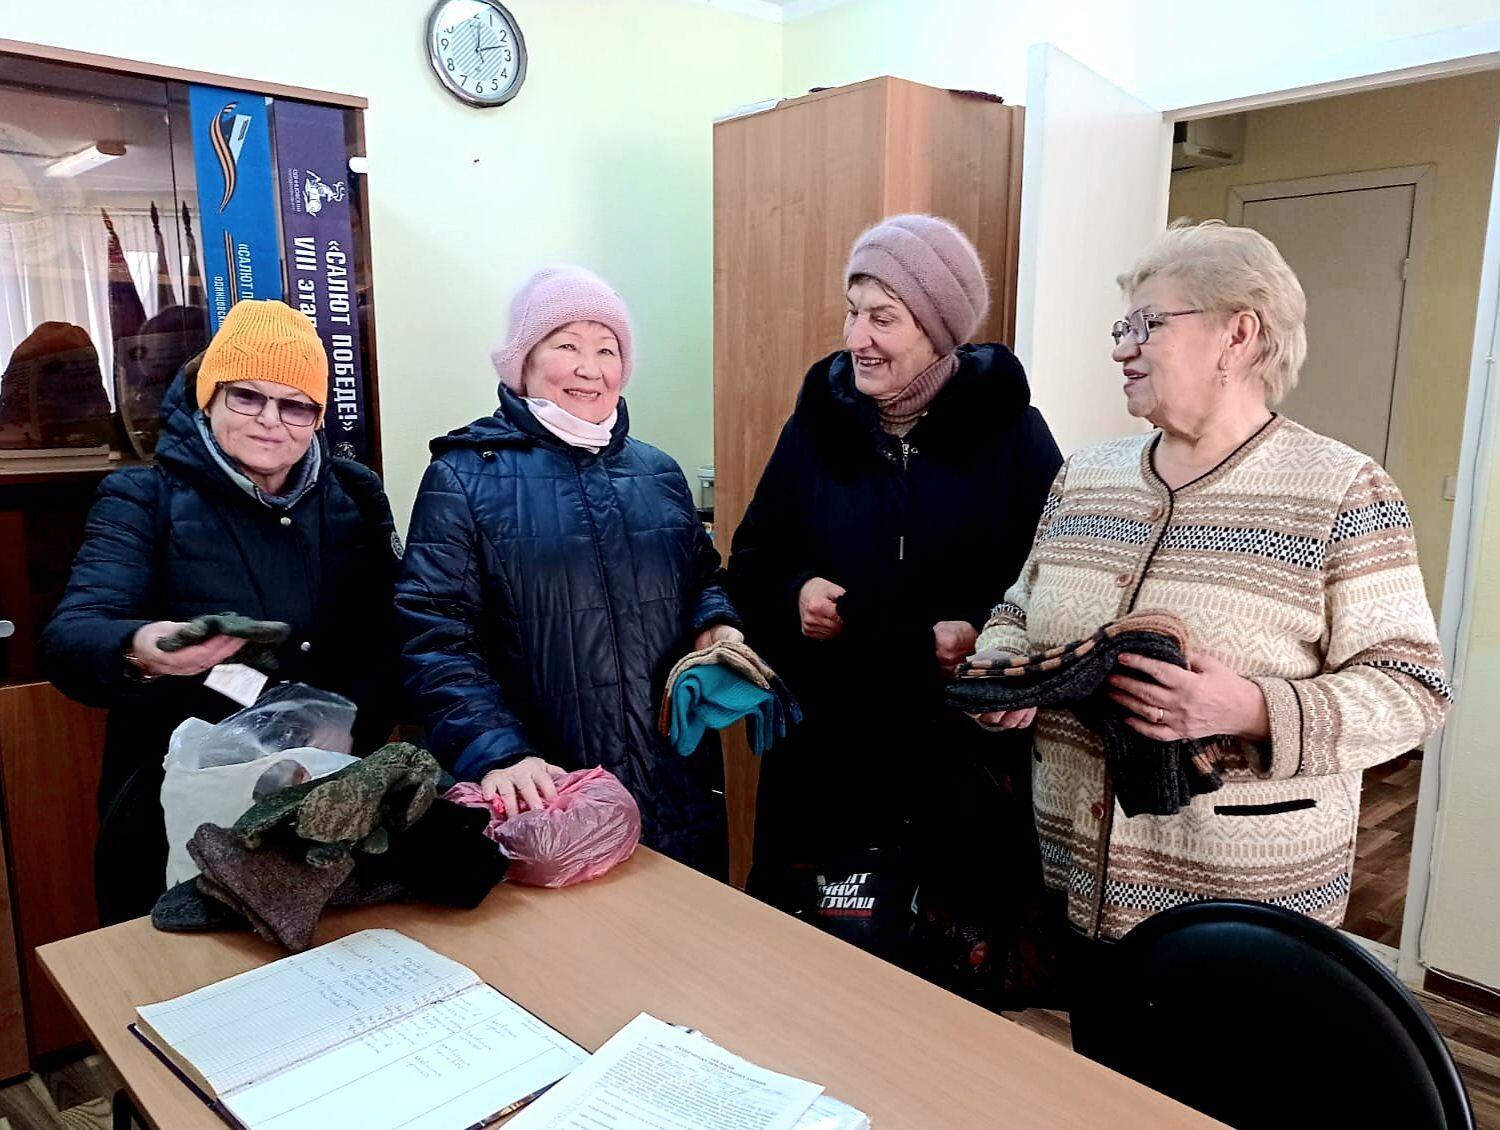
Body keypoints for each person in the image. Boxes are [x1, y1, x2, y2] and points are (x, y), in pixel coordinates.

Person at [971, 221, 1450, 949]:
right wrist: (1007, 673)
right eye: (1121, 325)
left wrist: (1252, 708)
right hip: (1070, 875)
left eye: (1147, 324)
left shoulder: (1343, 491)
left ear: (1239, 335)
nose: (1120, 346)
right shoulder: (1084, 477)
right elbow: (1017, 604)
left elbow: (1413, 691)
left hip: (1239, 912)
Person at [728, 214, 1063, 992]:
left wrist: (984, 632)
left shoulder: (1013, 434)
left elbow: (1056, 576)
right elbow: (751, 559)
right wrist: (794, 590)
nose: (857, 337)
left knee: (940, 982)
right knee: (812, 969)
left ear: (938, 330)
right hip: (828, 750)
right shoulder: (816, 426)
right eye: (853, 312)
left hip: (955, 753)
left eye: (884, 318)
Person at [41, 300, 402, 923]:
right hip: (182, 806)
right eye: (247, 398)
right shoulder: (142, 497)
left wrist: (347, 727)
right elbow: (72, 636)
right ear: (209, 397)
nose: (270, 422)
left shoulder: (356, 495)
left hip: (323, 799)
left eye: (295, 405)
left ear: (317, 418)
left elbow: (390, 639)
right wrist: (143, 646)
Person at [396, 266, 742, 878]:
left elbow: (702, 578)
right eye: (567, 346)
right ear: (524, 363)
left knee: (689, 962)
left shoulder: (657, 473)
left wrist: (716, 624)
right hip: (547, 799)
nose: (591, 368)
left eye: (607, 350)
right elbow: (435, 637)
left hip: (677, 797)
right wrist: (498, 751)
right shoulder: (464, 477)